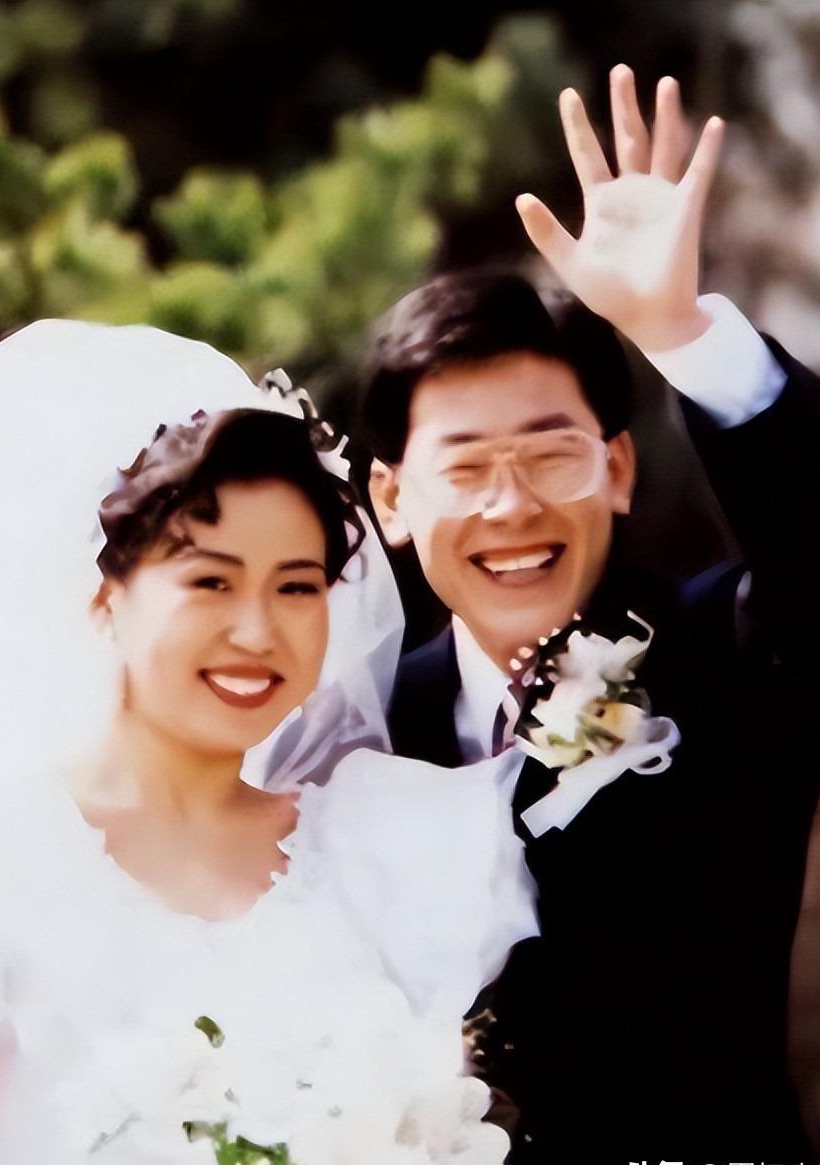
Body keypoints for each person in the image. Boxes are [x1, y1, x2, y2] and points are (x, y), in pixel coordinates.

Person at [0, 321, 535, 1164]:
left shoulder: (386, 842)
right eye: (210, 580)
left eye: (295, 587)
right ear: (105, 596)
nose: (256, 630)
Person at [363, 67, 820, 1163]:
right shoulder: (355, 721)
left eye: (550, 454)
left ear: (617, 467)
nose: (510, 506)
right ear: (391, 499)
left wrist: (681, 331)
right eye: (463, 467)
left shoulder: (728, 649)